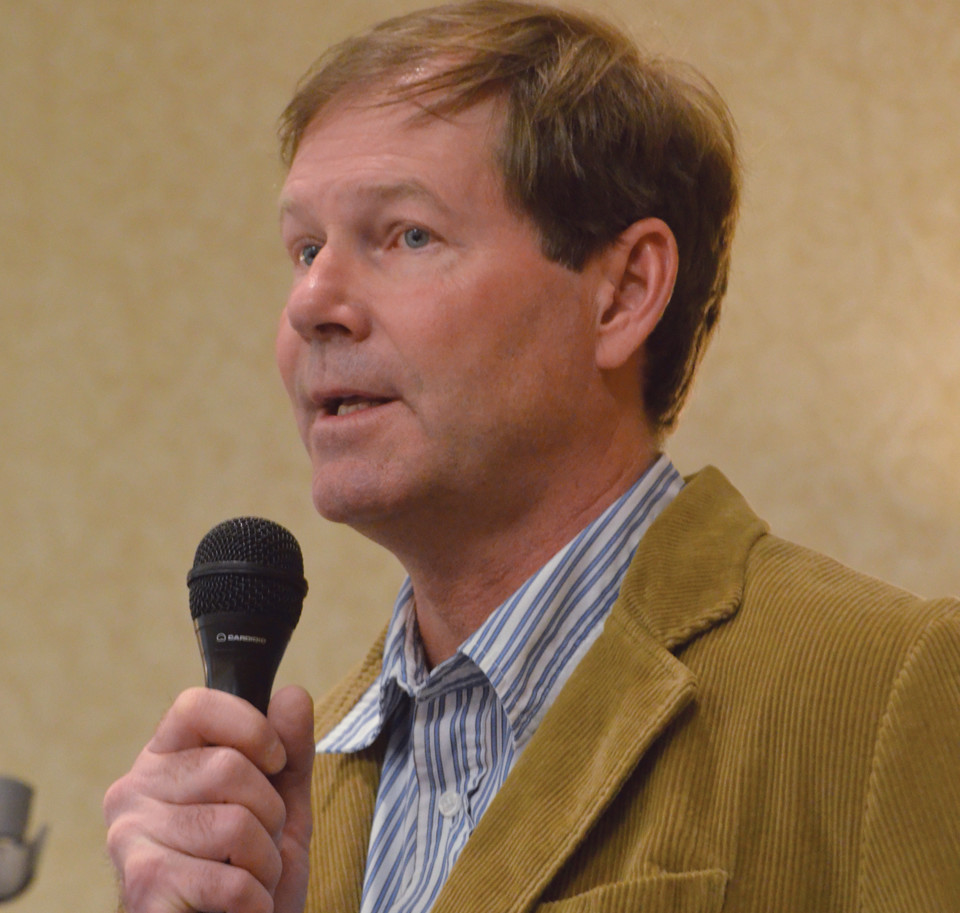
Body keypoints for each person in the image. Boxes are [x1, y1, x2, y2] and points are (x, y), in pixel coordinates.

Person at [102, 2, 960, 911]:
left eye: (406, 235)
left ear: (624, 293)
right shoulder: (297, 804)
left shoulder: (884, 688)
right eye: (305, 248)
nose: (313, 302)